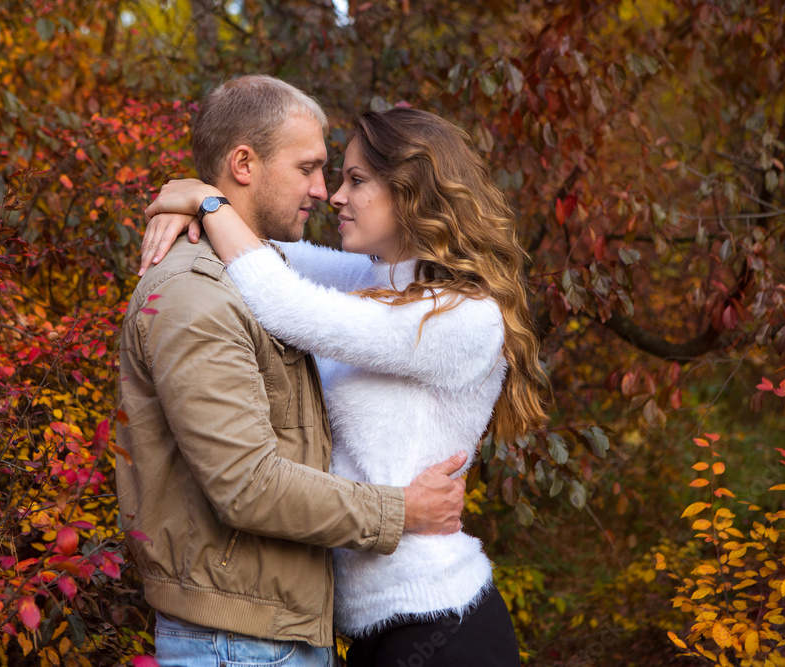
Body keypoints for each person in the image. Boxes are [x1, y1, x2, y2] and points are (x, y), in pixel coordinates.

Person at [141, 106, 549, 666]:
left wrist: (207, 202)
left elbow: (282, 302)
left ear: (411, 192)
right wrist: (196, 200)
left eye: (357, 180)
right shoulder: (378, 281)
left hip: (441, 627)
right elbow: (269, 255)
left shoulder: (463, 317)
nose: (334, 195)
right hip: (367, 633)